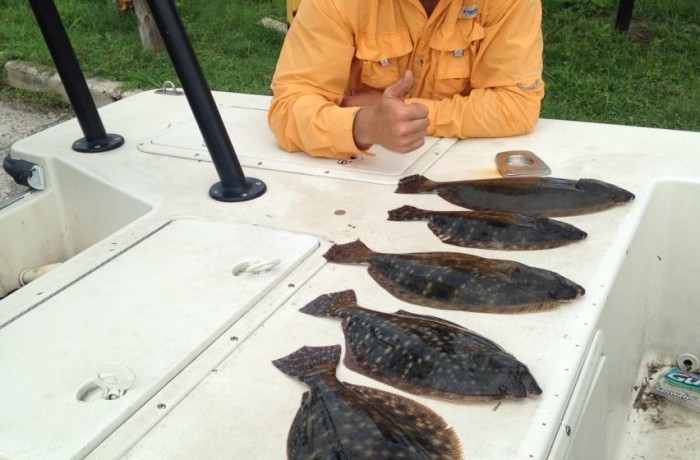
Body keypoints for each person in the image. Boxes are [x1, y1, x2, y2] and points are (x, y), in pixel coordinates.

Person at [268, 0, 544, 160]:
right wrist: (364, 125)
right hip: (359, 167)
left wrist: (408, 115)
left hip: (468, 164)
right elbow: (289, 108)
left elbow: (515, 105)